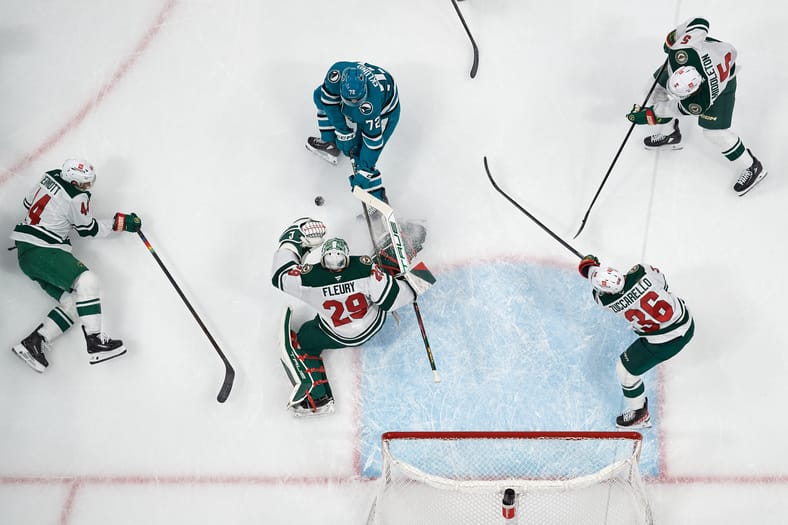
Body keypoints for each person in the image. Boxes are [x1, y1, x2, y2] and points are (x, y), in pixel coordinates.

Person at [271, 217, 433, 417]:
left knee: (304, 339)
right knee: (381, 265)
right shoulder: (364, 270)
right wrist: (420, 278)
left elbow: (280, 275)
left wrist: (292, 242)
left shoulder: (308, 279)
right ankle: (410, 237)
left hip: (337, 335)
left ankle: (316, 397)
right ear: (347, 258)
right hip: (372, 324)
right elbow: (392, 300)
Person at [9, 158, 142, 373]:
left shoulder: (50, 175)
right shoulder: (77, 197)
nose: (88, 186)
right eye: (84, 183)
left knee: (75, 302)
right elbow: (89, 229)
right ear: (73, 182)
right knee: (88, 281)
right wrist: (119, 223)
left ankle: (34, 343)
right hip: (43, 250)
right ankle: (95, 341)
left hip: (27, 254)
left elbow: (27, 203)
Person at [626, 17, 767, 196]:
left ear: (695, 90)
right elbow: (700, 22)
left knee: (715, 133)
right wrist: (673, 38)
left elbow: (671, 108)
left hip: (724, 78)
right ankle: (671, 134)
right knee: (652, 90)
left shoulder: (700, 101)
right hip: (708, 53)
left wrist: (648, 116)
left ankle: (753, 166)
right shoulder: (681, 52)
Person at [578, 255, 695, 428]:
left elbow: (597, 290)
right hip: (686, 320)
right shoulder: (642, 271)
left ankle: (639, 415)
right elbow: (663, 284)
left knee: (625, 371)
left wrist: (589, 268)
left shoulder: (606, 301)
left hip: (666, 343)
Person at [305, 61, 400, 203]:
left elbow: (372, 143)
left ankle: (377, 201)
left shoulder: (371, 105)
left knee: (361, 155)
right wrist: (343, 131)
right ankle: (330, 143)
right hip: (364, 99)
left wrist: (365, 170)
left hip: (386, 110)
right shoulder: (335, 75)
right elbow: (329, 103)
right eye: (350, 100)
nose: (354, 102)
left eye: (357, 99)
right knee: (319, 95)